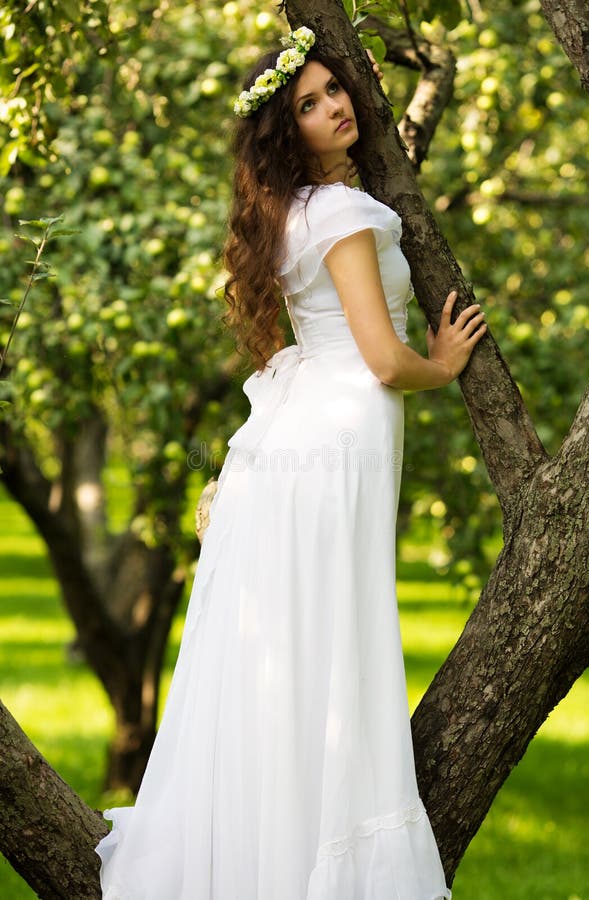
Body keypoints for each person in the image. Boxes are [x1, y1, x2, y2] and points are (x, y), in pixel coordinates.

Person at [95, 26, 486, 899]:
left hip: (306, 435)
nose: (335, 107)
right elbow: (384, 360)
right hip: (340, 433)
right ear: (285, 130)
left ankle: (280, 841)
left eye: (333, 90)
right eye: (307, 104)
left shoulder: (293, 215)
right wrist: (447, 365)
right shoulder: (341, 215)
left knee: (306, 643)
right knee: (336, 639)